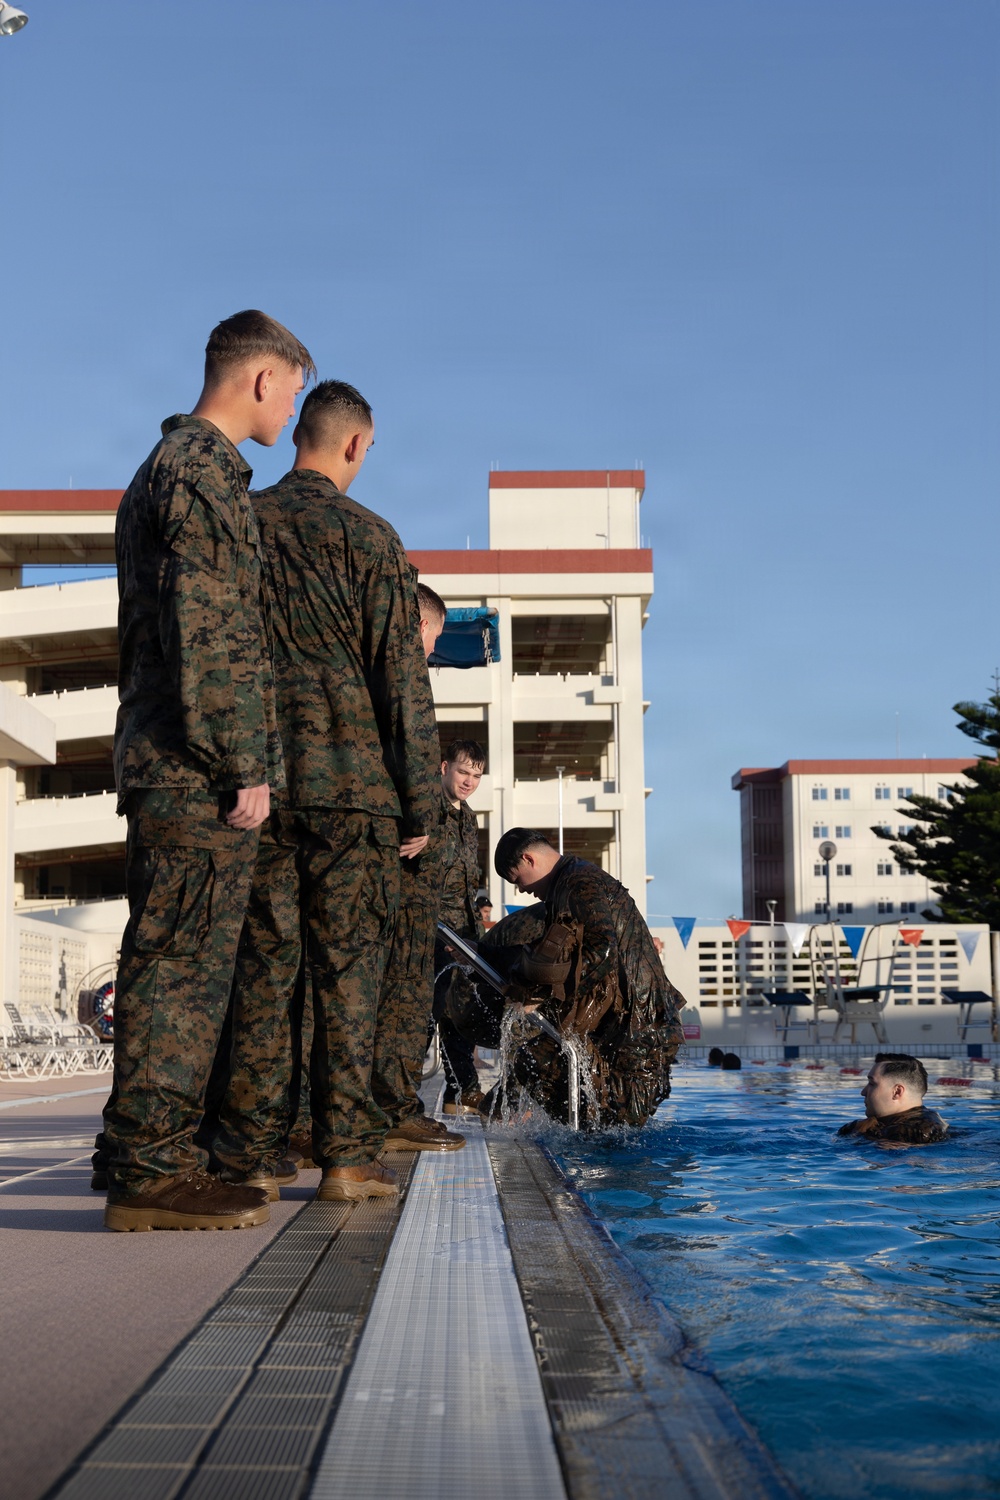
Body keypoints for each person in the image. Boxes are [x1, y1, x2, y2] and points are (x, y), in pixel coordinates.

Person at [99, 310, 315, 1233]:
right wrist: (245, 762)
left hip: (176, 760)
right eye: (293, 390)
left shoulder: (176, 470)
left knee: (173, 963)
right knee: (180, 971)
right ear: (263, 380)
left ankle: (145, 1156)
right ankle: (151, 1173)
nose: (291, 408)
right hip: (194, 769)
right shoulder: (199, 473)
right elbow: (208, 630)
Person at [212, 379, 441, 1203]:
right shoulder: (371, 537)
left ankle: (252, 1153)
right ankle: (346, 1157)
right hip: (354, 794)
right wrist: (423, 803)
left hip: (262, 783)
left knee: (265, 972)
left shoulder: (246, 522)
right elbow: (401, 678)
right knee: (349, 973)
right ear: (353, 445)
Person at [471, 829, 685, 1128]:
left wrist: (542, 995)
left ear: (528, 859)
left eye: (516, 879)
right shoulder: (565, 886)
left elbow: (603, 949)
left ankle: (578, 1142)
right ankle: (513, 1118)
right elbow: (546, 958)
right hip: (616, 1020)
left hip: (641, 1025)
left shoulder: (580, 882)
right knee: (533, 1061)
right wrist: (484, 954)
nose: (520, 891)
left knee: (617, 1125)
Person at [368, 585, 467, 1152]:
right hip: (398, 845)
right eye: (432, 638)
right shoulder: (399, 668)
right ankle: (393, 1109)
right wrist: (421, 815)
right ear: (418, 623)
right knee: (403, 988)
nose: (429, 653)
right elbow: (410, 739)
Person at [431, 739, 488, 1113]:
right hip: (430, 929)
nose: (469, 781)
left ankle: (462, 1090)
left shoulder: (469, 817)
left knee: (459, 1011)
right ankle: (398, 1102)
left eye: (477, 775)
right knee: (423, 1013)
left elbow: (469, 877)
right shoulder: (426, 810)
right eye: (463, 772)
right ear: (444, 767)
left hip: (463, 932)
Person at [837, 1053, 948, 1143]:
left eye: (872, 1084)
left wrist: (859, 1134)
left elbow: (890, 1162)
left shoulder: (907, 1132)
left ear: (897, 1092)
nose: (863, 1092)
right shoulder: (934, 1122)